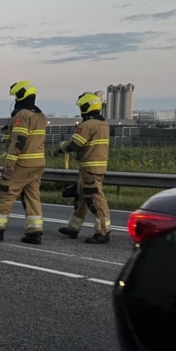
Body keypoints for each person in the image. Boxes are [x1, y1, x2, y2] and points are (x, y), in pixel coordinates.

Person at [0, 81, 46, 244]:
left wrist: (9, 165)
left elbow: (19, 141)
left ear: (21, 95)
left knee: (7, 194)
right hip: (38, 163)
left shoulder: (22, 115)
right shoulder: (40, 115)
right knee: (33, 196)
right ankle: (34, 232)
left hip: (22, 163)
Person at [57, 92, 111, 244]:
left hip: (89, 167)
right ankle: (73, 228)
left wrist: (62, 147)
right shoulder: (103, 124)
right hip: (98, 166)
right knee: (82, 198)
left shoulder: (87, 125)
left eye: (82, 106)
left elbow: (75, 145)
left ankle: (103, 232)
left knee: (95, 199)